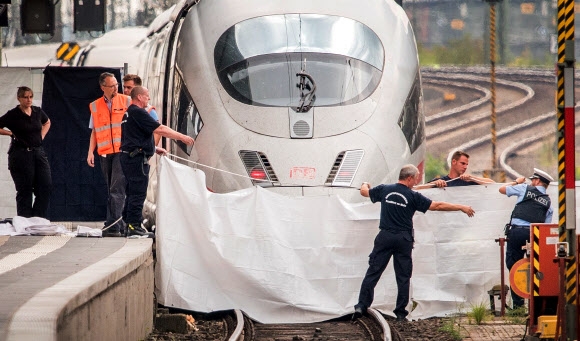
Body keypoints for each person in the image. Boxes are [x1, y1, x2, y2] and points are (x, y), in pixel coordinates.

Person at [352, 164, 475, 321]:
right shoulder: (413, 196)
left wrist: (365, 183)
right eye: (415, 179)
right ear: (409, 178)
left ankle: (361, 305)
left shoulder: (385, 189)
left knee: (373, 272)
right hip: (403, 239)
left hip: (385, 236)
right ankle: (400, 313)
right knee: (403, 276)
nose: (416, 182)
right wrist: (461, 207)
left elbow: (364, 192)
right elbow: (437, 206)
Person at [120, 86, 194, 237]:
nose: (149, 98)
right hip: (135, 158)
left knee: (131, 191)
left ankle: (127, 225)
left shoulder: (129, 113)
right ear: (139, 97)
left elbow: (134, 137)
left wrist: (154, 148)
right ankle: (134, 226)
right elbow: (159, 129)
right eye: (147, 95)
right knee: (138, 192)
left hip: (129, 156)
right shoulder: (138, 112)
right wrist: (182, 137)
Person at [499, 168, 553, 309]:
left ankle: (518, 306)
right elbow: (545, 228)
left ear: (536, 181)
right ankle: (536, 306)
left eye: (532, 179)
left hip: (517, 233)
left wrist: (516, 181)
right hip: (534, 235)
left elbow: (502, 189)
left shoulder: (524, 188)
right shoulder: (548, 203)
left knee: (513, 266)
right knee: (537, 268)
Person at [87, 72, 131, 237]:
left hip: (122, 151)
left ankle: (113, 226)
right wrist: (90, 152)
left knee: (116, 189)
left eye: (116, 85)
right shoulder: (95, 106)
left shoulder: (126, 101)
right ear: (102, 87)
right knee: (111, 189)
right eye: (112, 85)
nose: (115, 88)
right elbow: (94, 132)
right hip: (105, 153)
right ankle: (118, 225)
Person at [0, 86, 52, 218]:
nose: (29, 100)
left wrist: (41, 136)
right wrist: (10, 133)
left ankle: (37, 219)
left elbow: (47, 122)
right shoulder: (13, 114)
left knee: (45, 186)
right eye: (25, 97)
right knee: (25, 189)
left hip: (38, 152)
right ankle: (25, 221)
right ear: (19, 98)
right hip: (20, 154)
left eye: (30, 97)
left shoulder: (37, 111)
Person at [122, 74, 161, 146]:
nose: (125, 90)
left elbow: (157, 131)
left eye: (129, 88)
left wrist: (149, 152)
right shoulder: (120, 107)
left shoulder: (149, 110)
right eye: (124, 87)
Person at [424, 150, 495, 188]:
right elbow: (418, 190)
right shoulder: (442, 181)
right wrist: (434, 184)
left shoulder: (468, 181)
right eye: (463, 163)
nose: (465, 167)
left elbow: (492, 184)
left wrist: (472, 178)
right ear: (454, 162)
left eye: (466, 165)